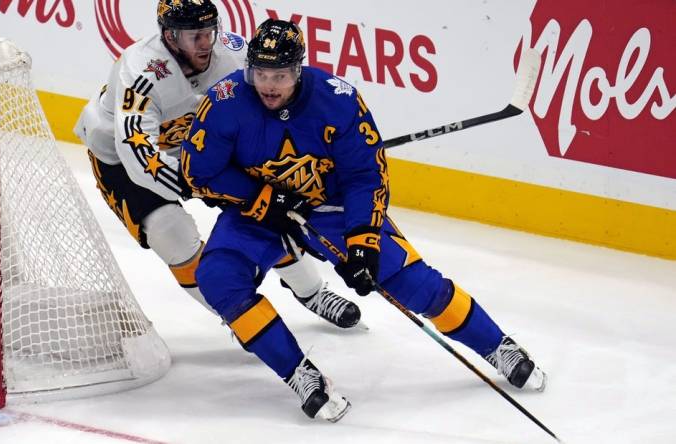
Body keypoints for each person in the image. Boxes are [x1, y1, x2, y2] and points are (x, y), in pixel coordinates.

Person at [180, 19, 547, 422]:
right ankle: (300, 374)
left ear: (298, 70)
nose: (269, 85)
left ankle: (498, 346)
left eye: (280, 75)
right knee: (219, 278)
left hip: (332, 207)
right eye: (261, 74)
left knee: (413, 283)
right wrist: (261, 198)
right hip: (261, 211)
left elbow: (364, 177)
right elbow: (197, 171)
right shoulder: (227, 101)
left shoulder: (338, 101)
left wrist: (362, 242)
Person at [74, 0, 360, 329]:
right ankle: (238, 314)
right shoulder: (140, 71)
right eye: (194, 36)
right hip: (121, 158)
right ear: (169, 36)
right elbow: (138, 153)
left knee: (265, 208)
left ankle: (312, 292)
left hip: (198, 145)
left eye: (209, 31)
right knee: (171, 233)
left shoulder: (234, 56)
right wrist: (199, 181)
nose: (206, 42)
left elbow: (273, 106)